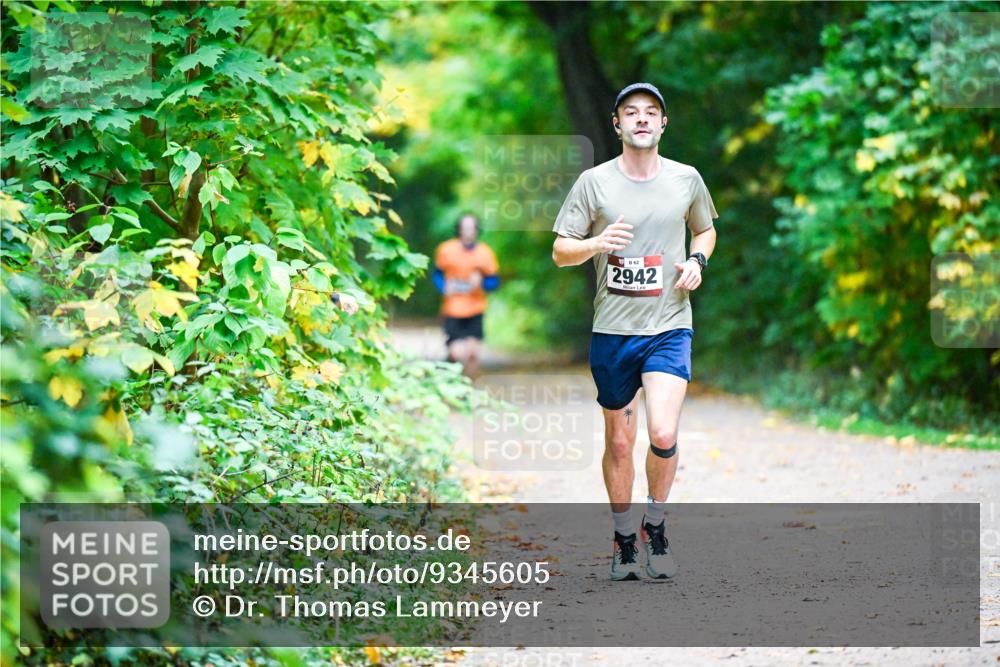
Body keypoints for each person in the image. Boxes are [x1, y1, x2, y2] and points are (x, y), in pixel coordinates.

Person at [551, 83, 718, 580]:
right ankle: (625, 537)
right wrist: (597, 242)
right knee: (621, 444)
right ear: (616, 124)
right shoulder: (593, 183)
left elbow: (704, 228)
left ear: (663, 124)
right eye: (631, 112)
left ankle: (656, 525)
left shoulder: (686, 179)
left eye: (651, 112)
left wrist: (696, 260)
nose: (642, 119)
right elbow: (561, 251)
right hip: (613, 331)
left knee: (663, 432)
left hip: (669, 324)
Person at [433, 213, 500, 378]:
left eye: (472, 227)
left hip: (476, 307)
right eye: (465, 227)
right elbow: (437, 275)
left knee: (472, 354)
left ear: (477, 230)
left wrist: (482, 283)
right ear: (459, 229)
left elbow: (495, 282)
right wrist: (444, 287)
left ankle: (468, 389)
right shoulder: (446, 250)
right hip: (453, 309)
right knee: (456, 354)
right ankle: (448, 373)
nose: (468, 231)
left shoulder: (485, 253)